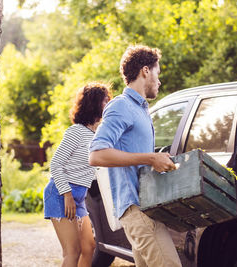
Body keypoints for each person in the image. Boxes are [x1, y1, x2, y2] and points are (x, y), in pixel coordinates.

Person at [89, 45, 182, 267]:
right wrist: (150, 158)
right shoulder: (121, 106)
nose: (159, 81)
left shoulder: (141, 109)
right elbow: (96, 155)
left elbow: (135, 154)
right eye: (157, 73)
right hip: (137, 209)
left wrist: (158, 159)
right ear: (146, 71)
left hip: (147, 207)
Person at [44, 82, 111, 267]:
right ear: (95, 104)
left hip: (80, 197)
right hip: (61, 194)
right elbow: (56, 164)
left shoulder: (98, 135)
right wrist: (67, 195)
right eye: (106, 101)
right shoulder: (77, 132)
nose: (109, 104)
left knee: (89, 247)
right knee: (72, 252)